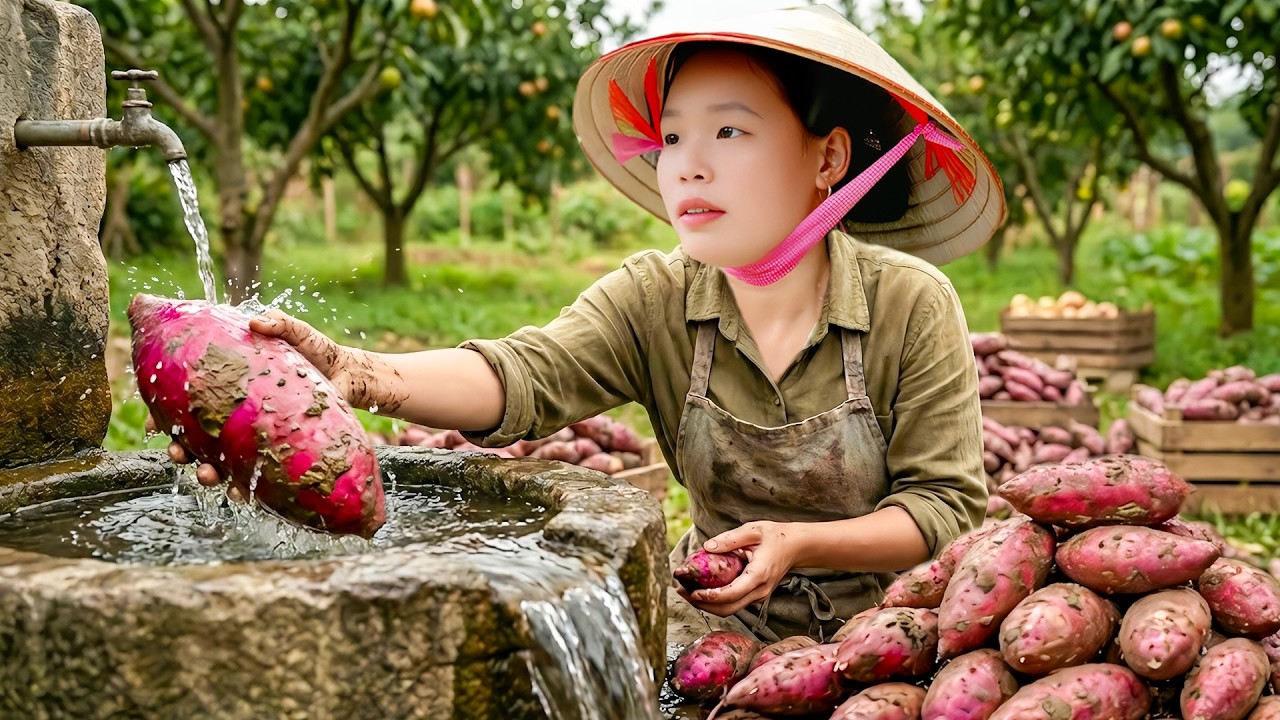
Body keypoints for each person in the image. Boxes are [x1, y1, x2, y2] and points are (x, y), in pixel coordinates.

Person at [164, 5, 1005, 646]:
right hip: (715, 635)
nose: (689, 163)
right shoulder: (654, 296)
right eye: (672, 136)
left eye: (729, 132)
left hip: (890, 642)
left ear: (826, 159)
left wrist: (795, 543)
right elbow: (524, 375)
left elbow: (946, 511)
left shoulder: (909, 304)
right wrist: (357, 373)